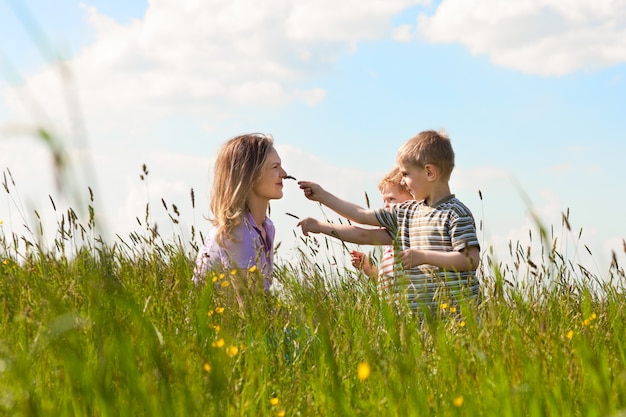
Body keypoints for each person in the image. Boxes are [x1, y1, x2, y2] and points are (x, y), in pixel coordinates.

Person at [298, 130, 481, 314]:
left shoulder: (456, 213)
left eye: (406, 174)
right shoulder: (406, 213)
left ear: (429, 172)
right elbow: (361, 215)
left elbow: (471, 259)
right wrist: (322, 196)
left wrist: (424, 256)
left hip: (457, 320)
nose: (403, 181)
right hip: (419, 322)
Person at [192, 133, 288, 301]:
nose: (284, 173)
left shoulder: (266, 227)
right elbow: (248, 311)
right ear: (251, 176)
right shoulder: (239, 233)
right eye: (275, 167)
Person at [296, 167, 413, 298]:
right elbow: (388, 281)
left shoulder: (404, 217)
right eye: (384, 200)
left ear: (413, 195)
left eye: (391, 199)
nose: (385, 206)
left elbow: (362, 230)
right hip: (396, 308)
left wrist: (322, 207)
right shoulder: (398, 233)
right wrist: (370, 270)